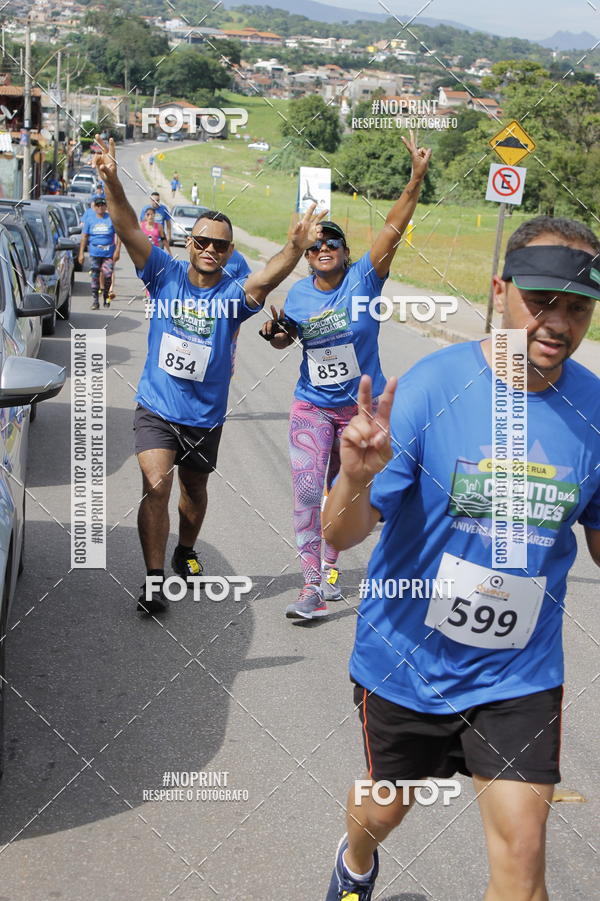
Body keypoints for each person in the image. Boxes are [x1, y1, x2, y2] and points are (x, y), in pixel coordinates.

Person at [321, 215, 600, 900]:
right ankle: (355, 862)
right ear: (499, 289)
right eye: (541, 299)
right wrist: (354, 478)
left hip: (518, 672)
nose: (557, 322)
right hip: (406, 660)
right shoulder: (430, 385)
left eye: (577, 306)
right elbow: (339, 532)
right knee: (385, 807)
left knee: (522, 850)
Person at [93, 135, 327, 615]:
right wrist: (113, 180)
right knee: (156, 484)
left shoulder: (233, 295)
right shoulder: (163, 274)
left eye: (218, 245)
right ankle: (154, 581)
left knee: (194, 489)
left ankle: (185, 550)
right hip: (156, 406)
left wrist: (294, 247)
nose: (208, 249)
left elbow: (267, 277)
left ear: (227, 251)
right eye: (200, 240)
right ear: (189, 242)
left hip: (206, 415)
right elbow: (127, 226)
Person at [260, 132, 431, 619]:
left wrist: (415, 179)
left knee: (345, 491)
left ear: (344, 249)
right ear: (307, 256)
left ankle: (331, 566)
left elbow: (395, 226)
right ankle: (311, 587)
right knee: (309, 490)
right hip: (311, 404)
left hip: (359, 411)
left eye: (331, 241)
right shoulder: (297, 295)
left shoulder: (365, 278)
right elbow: (286, 338)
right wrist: (275, 332)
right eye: (314, 246)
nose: (322, 248)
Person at [78, 195, 121, 309]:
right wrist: (81, 253)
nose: (100, 207)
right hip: (94, 253)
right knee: (95, 277)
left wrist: (117, 251)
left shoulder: (111, 219)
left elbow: (119, 235)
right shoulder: (90, 219)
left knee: (107, 276)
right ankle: (95, 301)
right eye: (98, 205)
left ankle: (106, 295)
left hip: (108, 253)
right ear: (94, 207)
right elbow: (84, 237)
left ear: (106, 206)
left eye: (102, 205)